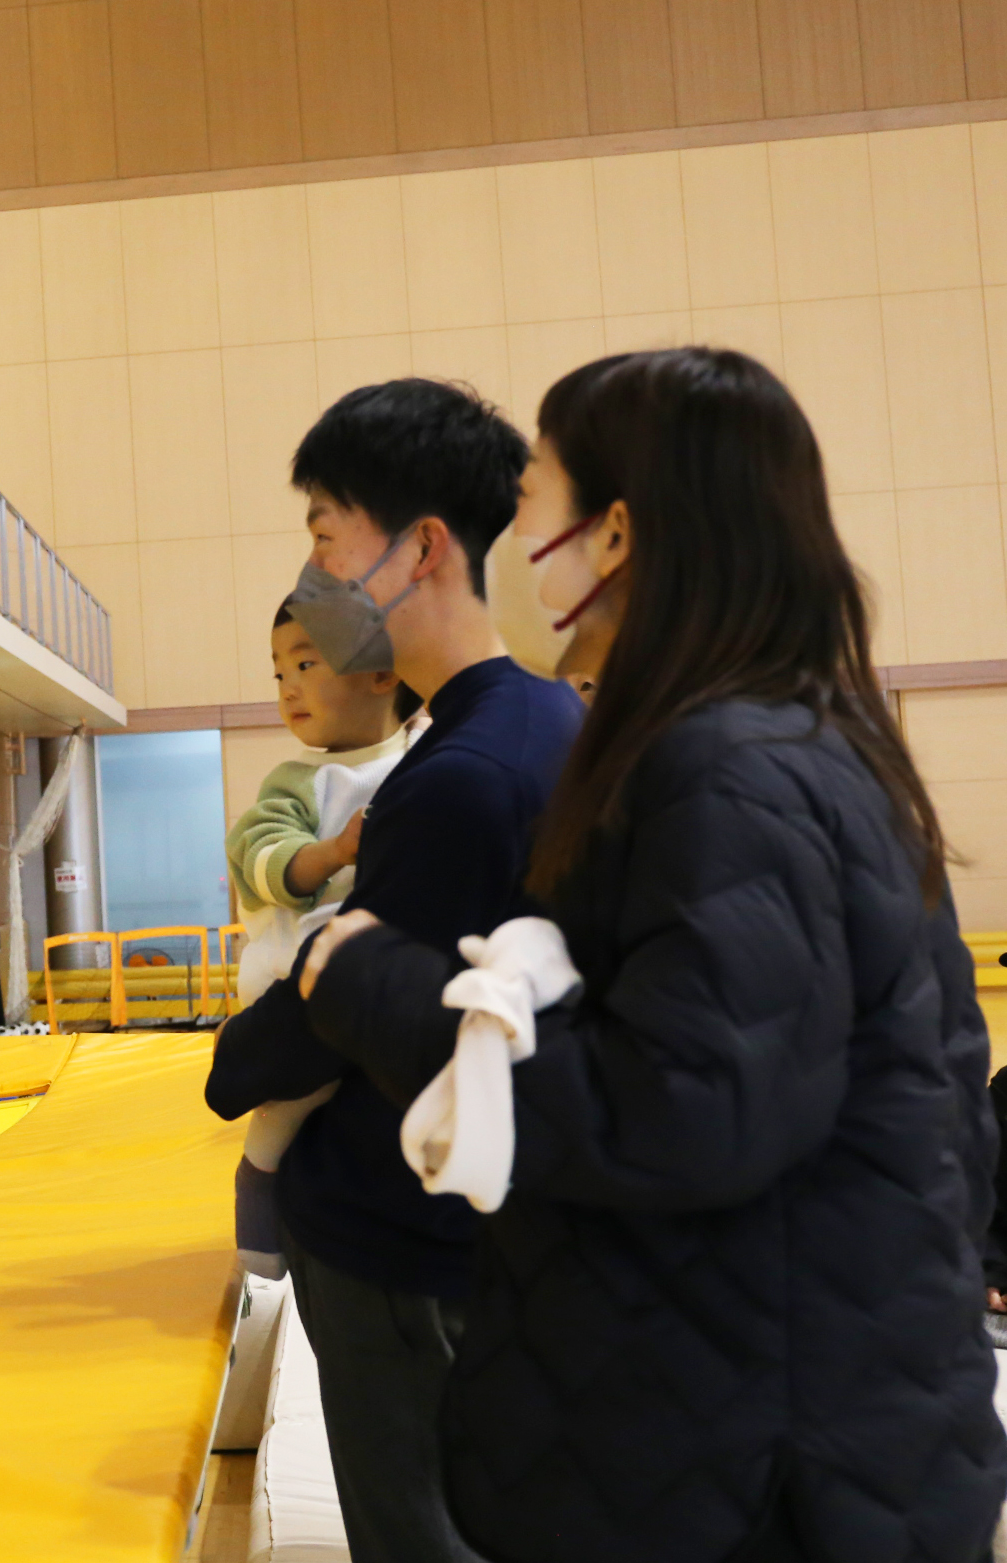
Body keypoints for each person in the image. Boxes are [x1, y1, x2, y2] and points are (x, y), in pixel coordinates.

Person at [299, 348, 1005, 1563]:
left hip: (752, 1463)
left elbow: (683, 1104)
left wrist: (377, 985)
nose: (513, 549)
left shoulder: (726, 766)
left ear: (613, 534)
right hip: (793, 1415)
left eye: (531, 509)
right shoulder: (799, 738)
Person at [205, 378, 584, 1563]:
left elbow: (347, 1011)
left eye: (327, 537)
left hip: (404, 1250)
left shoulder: (456, 776)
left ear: (421, 548)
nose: (315, 574)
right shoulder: (537, 722)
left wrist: (232, 1066)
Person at [225, 606, 418, 1279]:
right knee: (286, 1114)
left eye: (306, 664)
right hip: (297, 977)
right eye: (279, 671)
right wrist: (333, 851)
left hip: (383, 976)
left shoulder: (427, 757)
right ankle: (258, 1208)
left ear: (384, 672)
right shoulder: (298, 780)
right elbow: (259, 855)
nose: (287, 688)